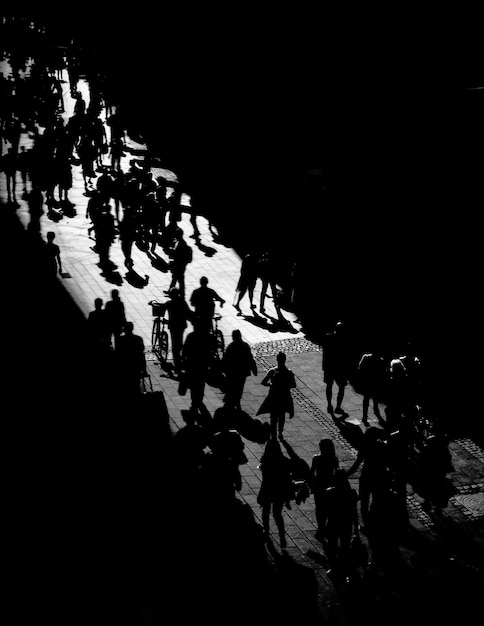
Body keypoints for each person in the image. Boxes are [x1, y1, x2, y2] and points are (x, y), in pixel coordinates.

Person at [257, 439, 293, 548]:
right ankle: (281, 535)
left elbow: (265, 479)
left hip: (267, 489)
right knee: (277, 514)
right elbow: (287, 480)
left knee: (265, 512)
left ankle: (267, 532)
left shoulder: (265, 461)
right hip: (279, 490)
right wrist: (287, 499)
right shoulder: (285, 461)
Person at [181, 325, 217, 423]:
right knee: (200, 384)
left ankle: (195, 402)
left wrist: (184, 360)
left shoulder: (191, 336)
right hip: (203, 365)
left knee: (194, 385)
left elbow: (185, 350)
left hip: (192, 365)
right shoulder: (208, 337)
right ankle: (197, 401)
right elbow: (214, 348)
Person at [257, 351, 296, 440]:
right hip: (283, 397)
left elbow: (263, 382)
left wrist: (272, 384)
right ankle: (279, 432)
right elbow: (293, 385)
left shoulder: (273, 371)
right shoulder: (289, 372)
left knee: (274, 417)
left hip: (274, 397)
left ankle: (274, 434)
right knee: (281, 416)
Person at [310, 438, 340, 539]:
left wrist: (310, 484)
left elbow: (311, 472)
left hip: (319, 484)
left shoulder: (316, 458)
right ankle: (326, 526)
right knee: (328, 507)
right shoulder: (334, 459)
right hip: (329, 484)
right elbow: (336, 473)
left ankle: (321, 527)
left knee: (319, 507)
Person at [222, 329, 258, 409]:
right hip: (242, 372)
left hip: (233, 372)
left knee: (233, 386)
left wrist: (223, 369)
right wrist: (254, 369)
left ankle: (233, 402)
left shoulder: (231, 347)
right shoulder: (244, 346)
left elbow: (225, 359)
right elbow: (250, 358)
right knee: (239, 387)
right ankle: (236, 402)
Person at [322, 321, 350, 416]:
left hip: (330, 367)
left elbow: (325, 353)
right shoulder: (344, 340)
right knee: (341, 387)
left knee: (329, 386)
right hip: (340, 368)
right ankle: (338, 406)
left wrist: (324, 367)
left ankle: (330, 405)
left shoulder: (328, 338)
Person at [163, 288, 194, 374]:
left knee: (174, 343)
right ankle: (181, 358)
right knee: (179, 341)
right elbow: (188, 312)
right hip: (181, 325)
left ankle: (177, 362)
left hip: (173, 325)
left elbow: (162, 308)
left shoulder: (169, 303)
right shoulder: (182, 302)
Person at [115, 321, 146, 397]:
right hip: (136, 366)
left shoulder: (121, 340)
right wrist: (144, 368)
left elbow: (118, 355)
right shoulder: (138, 339)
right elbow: (141, 354)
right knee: (136, 385)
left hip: (124, 367)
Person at [357, 350, 386, 426]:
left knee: (366, 400)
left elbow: (360, 368)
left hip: (368, 382)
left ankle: (365, 416)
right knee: (375, 400)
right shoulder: (380, 360)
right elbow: (383, 374)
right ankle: (376, 412)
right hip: (375, 383)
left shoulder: (366, 358)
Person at [165, 228, 193, 300]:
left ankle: (181, 294)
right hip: (180, 264)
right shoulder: (179, 242)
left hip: (180, 264)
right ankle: (171, 291)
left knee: (179, 278)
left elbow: (178, 255)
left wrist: (171, 252)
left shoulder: (181, 244)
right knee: (176, 278)